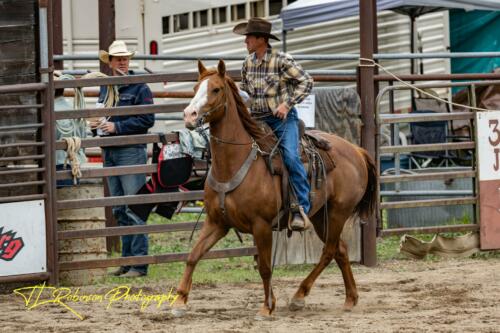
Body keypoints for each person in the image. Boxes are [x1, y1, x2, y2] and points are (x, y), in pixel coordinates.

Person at [234, 17, 314, 231]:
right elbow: (246, 92)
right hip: (256, 119)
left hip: (282, 119)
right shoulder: (247, 63)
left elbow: (307, 81)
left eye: (249, 37)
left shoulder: (281, 60)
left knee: (289, 155)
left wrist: (287, 105)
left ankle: (301, 208)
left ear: (261, 39)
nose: (246, 42)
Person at [92, 40, 155, 277]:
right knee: (120, 208)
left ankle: (139, 264)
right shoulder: (105, 88)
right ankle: (129, 262)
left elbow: (147, 120)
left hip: (129, 151)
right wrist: (95, 126)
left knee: (134, 207)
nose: (122, 62)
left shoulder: (140, 87)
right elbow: (102, 115)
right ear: (109, 61)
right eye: (117, 58)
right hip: (110, 151)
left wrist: (116, 127)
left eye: (125, 58)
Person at [54, 72, 87, 188]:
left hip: (57, 164)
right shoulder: (75, 110)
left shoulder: (48, 113)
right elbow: (84, 138)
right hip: (74, 164)